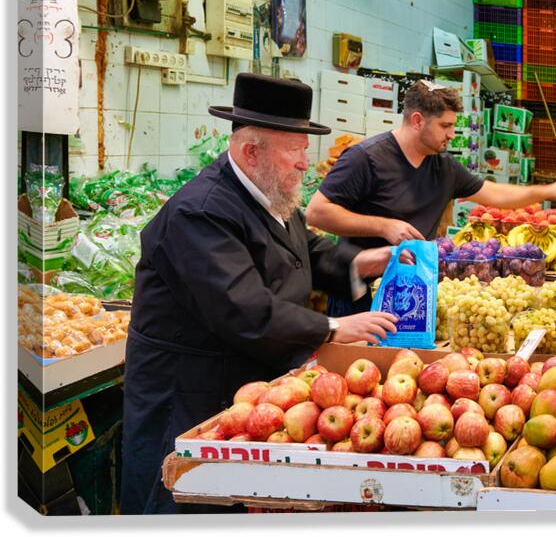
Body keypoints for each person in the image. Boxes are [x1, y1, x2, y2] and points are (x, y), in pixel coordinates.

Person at [120, 74, 399, 514]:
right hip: (189, 400)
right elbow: (242, 307)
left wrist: (362, 263)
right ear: (252, 152)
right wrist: (331, 327)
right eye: (295, 149)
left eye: (305, 149)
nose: (306, 163)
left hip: (243, 393)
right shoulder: (201, 213)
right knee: (182, 507)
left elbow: (306, 252)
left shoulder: (271, 197)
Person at [306, 80, 556, 316]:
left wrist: (547, 191)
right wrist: (383, 226)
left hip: (412, 296)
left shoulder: (443, 166)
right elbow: (317, 212)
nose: (451, 134)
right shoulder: (365, 158)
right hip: (360, 297)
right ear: (417, 121)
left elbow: (493, 193)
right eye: (445, 125)